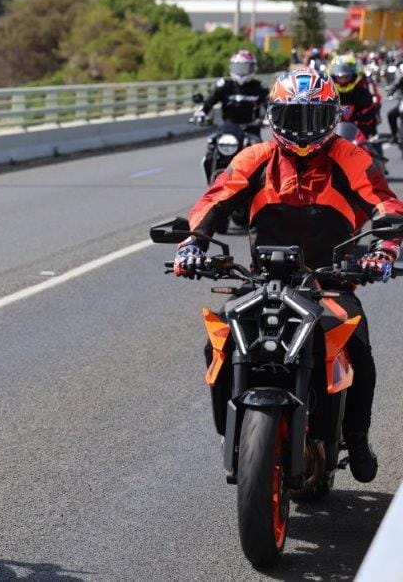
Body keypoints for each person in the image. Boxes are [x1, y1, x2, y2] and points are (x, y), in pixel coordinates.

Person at [173, 68, 403, 483]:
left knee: (359, 349)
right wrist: (193, 244)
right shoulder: (253, 158)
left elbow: (384, 205)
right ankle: (238, 434)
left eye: (312, 118)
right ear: (274, 117)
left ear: (331, 117)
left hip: (331, 281)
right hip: (263, 280)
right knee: (219, 339)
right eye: (292, 117)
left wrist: (384, 250)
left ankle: (358, 434)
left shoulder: (351, 157)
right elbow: (216, 199)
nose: (301, 129)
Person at [194, 50, 268, 137]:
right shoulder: (224, 85)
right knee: (212, 143)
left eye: (244, 68)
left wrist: (269, 119)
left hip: (252, 130)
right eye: (238, 68)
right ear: (231, 67)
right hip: (227, 130)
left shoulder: (260, 87)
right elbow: (210, 101)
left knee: (261, 150)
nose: (241, 72)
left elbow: (270, 106)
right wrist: (202, 112)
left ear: (253, 68)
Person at [329, 53, 382, 138]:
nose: (343, 79)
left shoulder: (363, 86)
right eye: (340, 76)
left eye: (346, 76)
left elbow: (374, 102)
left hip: (362, 128)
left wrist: (368, 115)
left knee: (373, 144)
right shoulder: (329, 90)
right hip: (337, 133)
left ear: (354, 74)